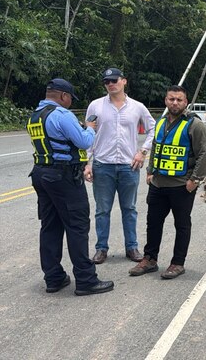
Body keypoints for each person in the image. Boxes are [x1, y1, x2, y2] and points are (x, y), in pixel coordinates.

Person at [26, 78, 114, 296]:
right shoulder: (62, 115)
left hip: (41, 173)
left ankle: (53, 278)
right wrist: (90, 128)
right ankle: (86, 280)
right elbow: (84, 142)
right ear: (63, 96)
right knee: (77, 226)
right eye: (70, 98)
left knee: (50, 226)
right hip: (63, 176)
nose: (70, 102)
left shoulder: (35, 115)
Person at [129, 85, 206, 279]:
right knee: (153, 223)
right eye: (171, 99)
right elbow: (156, 147)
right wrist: (150, 172)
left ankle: (177, 263)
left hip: (181, 185)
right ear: (166, 100)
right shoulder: (160, 122)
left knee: (182, 225)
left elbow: (204, 153)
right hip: (158, 184)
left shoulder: (194, 125)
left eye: (179, 100)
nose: (175, 103)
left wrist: (194, 180)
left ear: (186, 102)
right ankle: (150, 259)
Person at [85, 68, 156, 265]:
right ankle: (101, 248)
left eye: (114, 80)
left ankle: (132, 247)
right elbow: (89, 135)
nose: (110, 84)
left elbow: (153, 129)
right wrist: (86, 163)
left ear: (124, 81)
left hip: (128, 166)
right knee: (102, 210)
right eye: (106, 81)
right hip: (103, 166)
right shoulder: (95, 106)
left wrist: (143, 152)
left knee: (129, 209)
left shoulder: (137, 107)